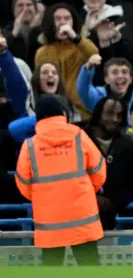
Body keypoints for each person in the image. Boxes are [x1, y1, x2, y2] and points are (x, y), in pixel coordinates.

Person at [14, 95, 106, 266]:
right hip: (83, 218)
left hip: (49, 223)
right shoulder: (79, 136)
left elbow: (22, 182)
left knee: (52, 277)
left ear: (38, 118)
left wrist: (42, 196)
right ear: (62, 113)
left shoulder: (30, 145)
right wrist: (85, 189)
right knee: (92, 275)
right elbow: (99, 169)